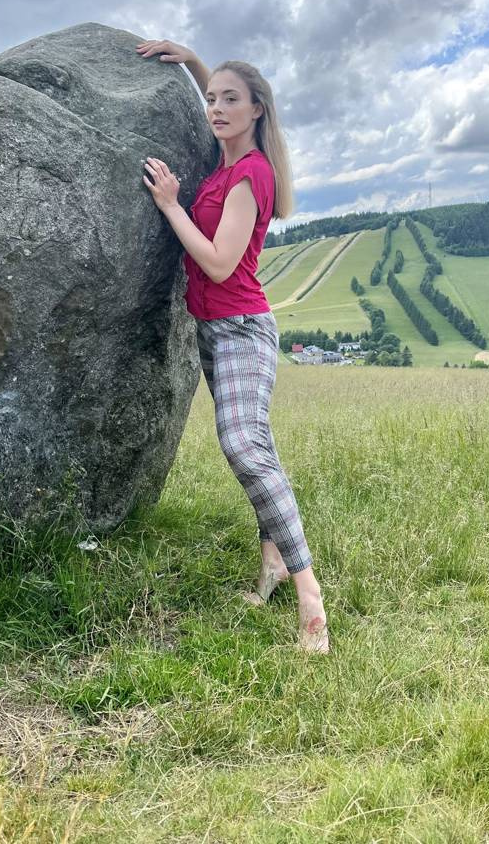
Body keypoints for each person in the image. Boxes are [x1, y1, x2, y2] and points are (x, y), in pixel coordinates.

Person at [136, 38, 329, 654]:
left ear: (257, 110)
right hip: (212, 331)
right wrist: (193, 60)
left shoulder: (252, 173)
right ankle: (272, 562)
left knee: (244, 445)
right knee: (254, 448)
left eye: (231, 101)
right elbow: (217, 95)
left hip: (243, 327)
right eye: (212, 99)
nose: (217, 109)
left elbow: (219, 264)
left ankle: (310, 595)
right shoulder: (225, 164)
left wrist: (170, 205)